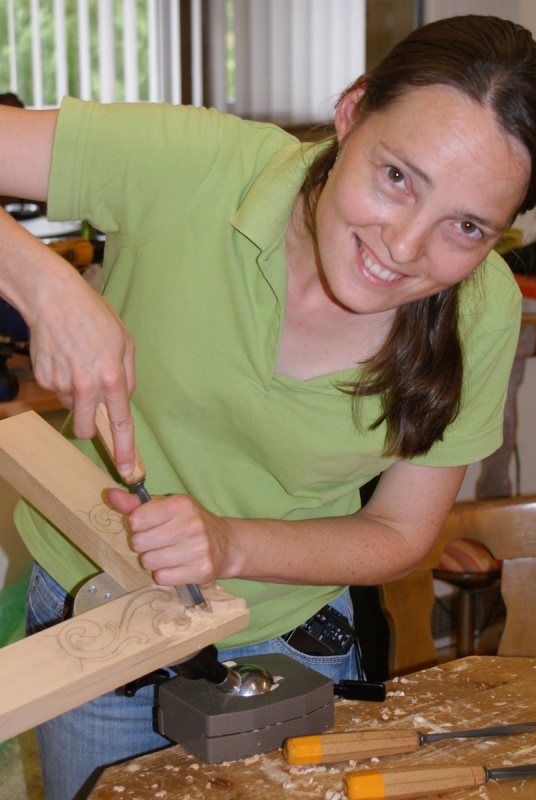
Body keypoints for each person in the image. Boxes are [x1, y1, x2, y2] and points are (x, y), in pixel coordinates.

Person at [1, 12, 535, 799]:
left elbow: (398, 533)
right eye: (397, 177)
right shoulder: (196, 166)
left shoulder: (481, 309)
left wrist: (229, 544)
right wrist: (43, 286)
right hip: (97, 615)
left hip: (289, 646)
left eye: (465, 227)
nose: (404, 247)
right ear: (351, 113)